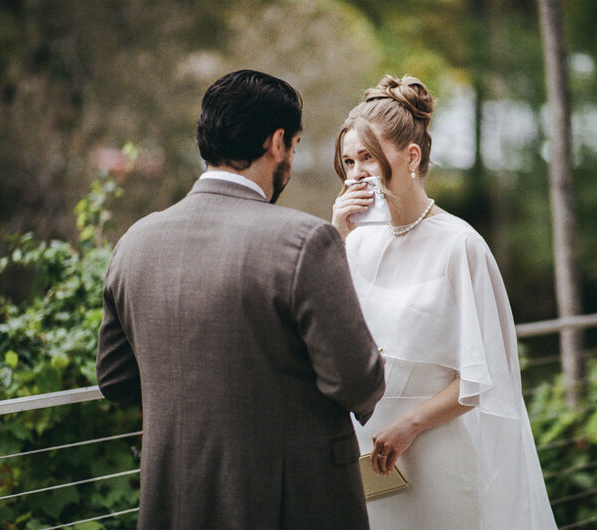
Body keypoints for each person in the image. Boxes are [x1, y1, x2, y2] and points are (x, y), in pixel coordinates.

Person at [97, 69, 386, 529]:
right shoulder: (305, 240)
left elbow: (115, 379)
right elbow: (357, 381)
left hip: (173, 501)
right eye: (294, 146)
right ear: (277, 143)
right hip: (292, 507)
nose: (291, 156)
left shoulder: (134, 243)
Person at [331, 74, 557, 529]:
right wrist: (335, 235)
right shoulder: (354, 243)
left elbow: (482, 376)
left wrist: (410, 424)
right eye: (349, 161)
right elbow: (326, 337)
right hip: (364, 454)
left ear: (411, 157)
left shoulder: (460, 245)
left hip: (434, 454)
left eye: (368, 159)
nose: (356, 174)